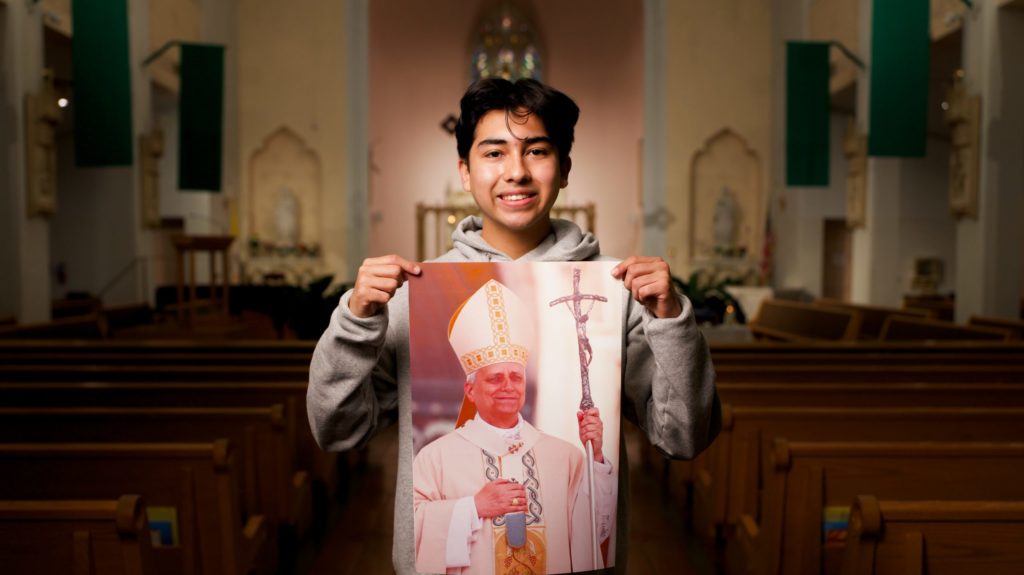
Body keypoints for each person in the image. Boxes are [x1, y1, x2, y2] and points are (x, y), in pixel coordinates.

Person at [307, 78, 721, 575]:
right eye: (494, 153)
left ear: (564, 168)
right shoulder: (408, 297)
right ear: (464, 170)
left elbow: (684, 438)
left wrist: (672, 321)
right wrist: (355, 322)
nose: (516, 173)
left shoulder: (616, 292)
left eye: (537, 151)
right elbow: (335, 430)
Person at [413, 278, 616, 574]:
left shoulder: (566, 457)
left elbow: (593, 530)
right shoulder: (435, 459)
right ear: (470, 390)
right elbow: (412, 526)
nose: (508, 386)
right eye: (495, 378)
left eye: (516, 377)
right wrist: (474, 507)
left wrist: (595, 458)